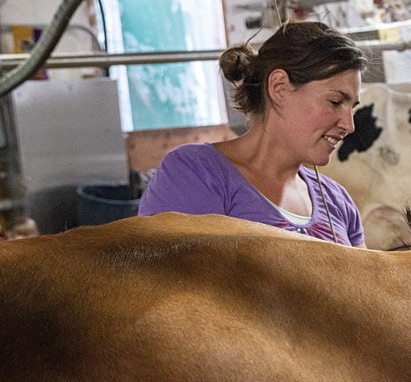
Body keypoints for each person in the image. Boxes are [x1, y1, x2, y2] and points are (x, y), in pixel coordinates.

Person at [138, 21, 368, 247]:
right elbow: (171, 280)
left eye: (352, 108)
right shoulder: (196, 175)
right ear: (279, 88)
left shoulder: (337, 201)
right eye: (335, 102)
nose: (349, 125)